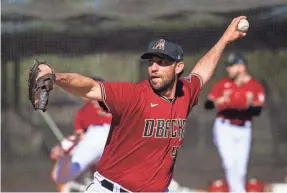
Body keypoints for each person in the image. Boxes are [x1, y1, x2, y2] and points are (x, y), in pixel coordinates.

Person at [35, 16, 247, 192]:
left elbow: (202, 71)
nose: (154, 67)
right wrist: (56, 76)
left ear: (178, 67)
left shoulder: (186, 92)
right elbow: (90, 87)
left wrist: (225, 40)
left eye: (163, 62)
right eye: (151, 61)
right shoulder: (134, 94)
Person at [204, 52, 265, 192]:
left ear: (242, 67)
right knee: (230, 164)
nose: (228, 69)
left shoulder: (254, 86)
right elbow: (208, 105)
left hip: (244, 129)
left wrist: (246, 106)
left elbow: (257, 111)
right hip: (225, 127)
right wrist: (221, 101)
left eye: (232, 66)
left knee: (241, 169)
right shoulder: (223, 84)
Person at [50, 77, 112, 192]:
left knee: (58, 175)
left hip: (97, 136)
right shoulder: (120, 103)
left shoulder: (84, 111)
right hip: (118, 142)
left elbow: (81, 138)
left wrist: (63, 149)